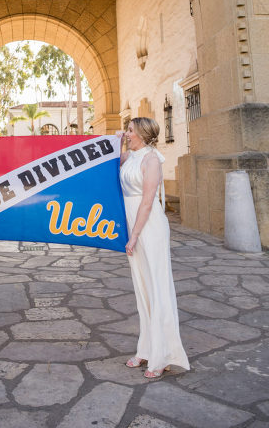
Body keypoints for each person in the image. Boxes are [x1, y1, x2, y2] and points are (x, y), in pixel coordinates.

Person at [118, 117, 189, 379]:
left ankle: (163, 355)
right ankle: (146, 348)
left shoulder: (151, 160)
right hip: (132, 225)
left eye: (130, 130)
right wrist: (116, 140)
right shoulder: (130, 157)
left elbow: (147, 202)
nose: (127, 133)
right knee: (142, 289)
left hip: (148, 227)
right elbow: (109, 160)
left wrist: (134, 236)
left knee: (157, 288)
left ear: (142, 134)